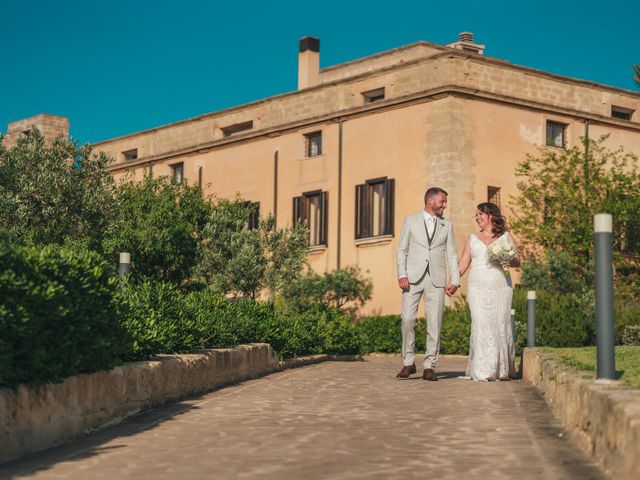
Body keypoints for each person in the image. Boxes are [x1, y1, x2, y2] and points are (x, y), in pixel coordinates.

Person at [395, 187, 460, 381]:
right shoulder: (410, 220)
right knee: (407, 320)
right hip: (412, 278)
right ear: (431, 201)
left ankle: (429, 365)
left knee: (435, 322)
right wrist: (402, 274)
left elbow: (452, 253)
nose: (445, 205)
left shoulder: (447, 225)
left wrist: (455, 279)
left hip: (437, 279)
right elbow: (401, 250)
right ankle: (408, 362)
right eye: (443, 201)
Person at [458, 202, 521, 381]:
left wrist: (505, 257)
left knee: (500, 323)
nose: (477, 218)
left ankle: (500, 369)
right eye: (476, 215)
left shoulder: (506, 237)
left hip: (500, 285)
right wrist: (453, 280)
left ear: (491, 215)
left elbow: (517, 260)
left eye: (480, 214)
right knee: (480, 323)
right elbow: (463, 262)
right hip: (477, 286)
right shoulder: (471, 238)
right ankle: (483, 369)